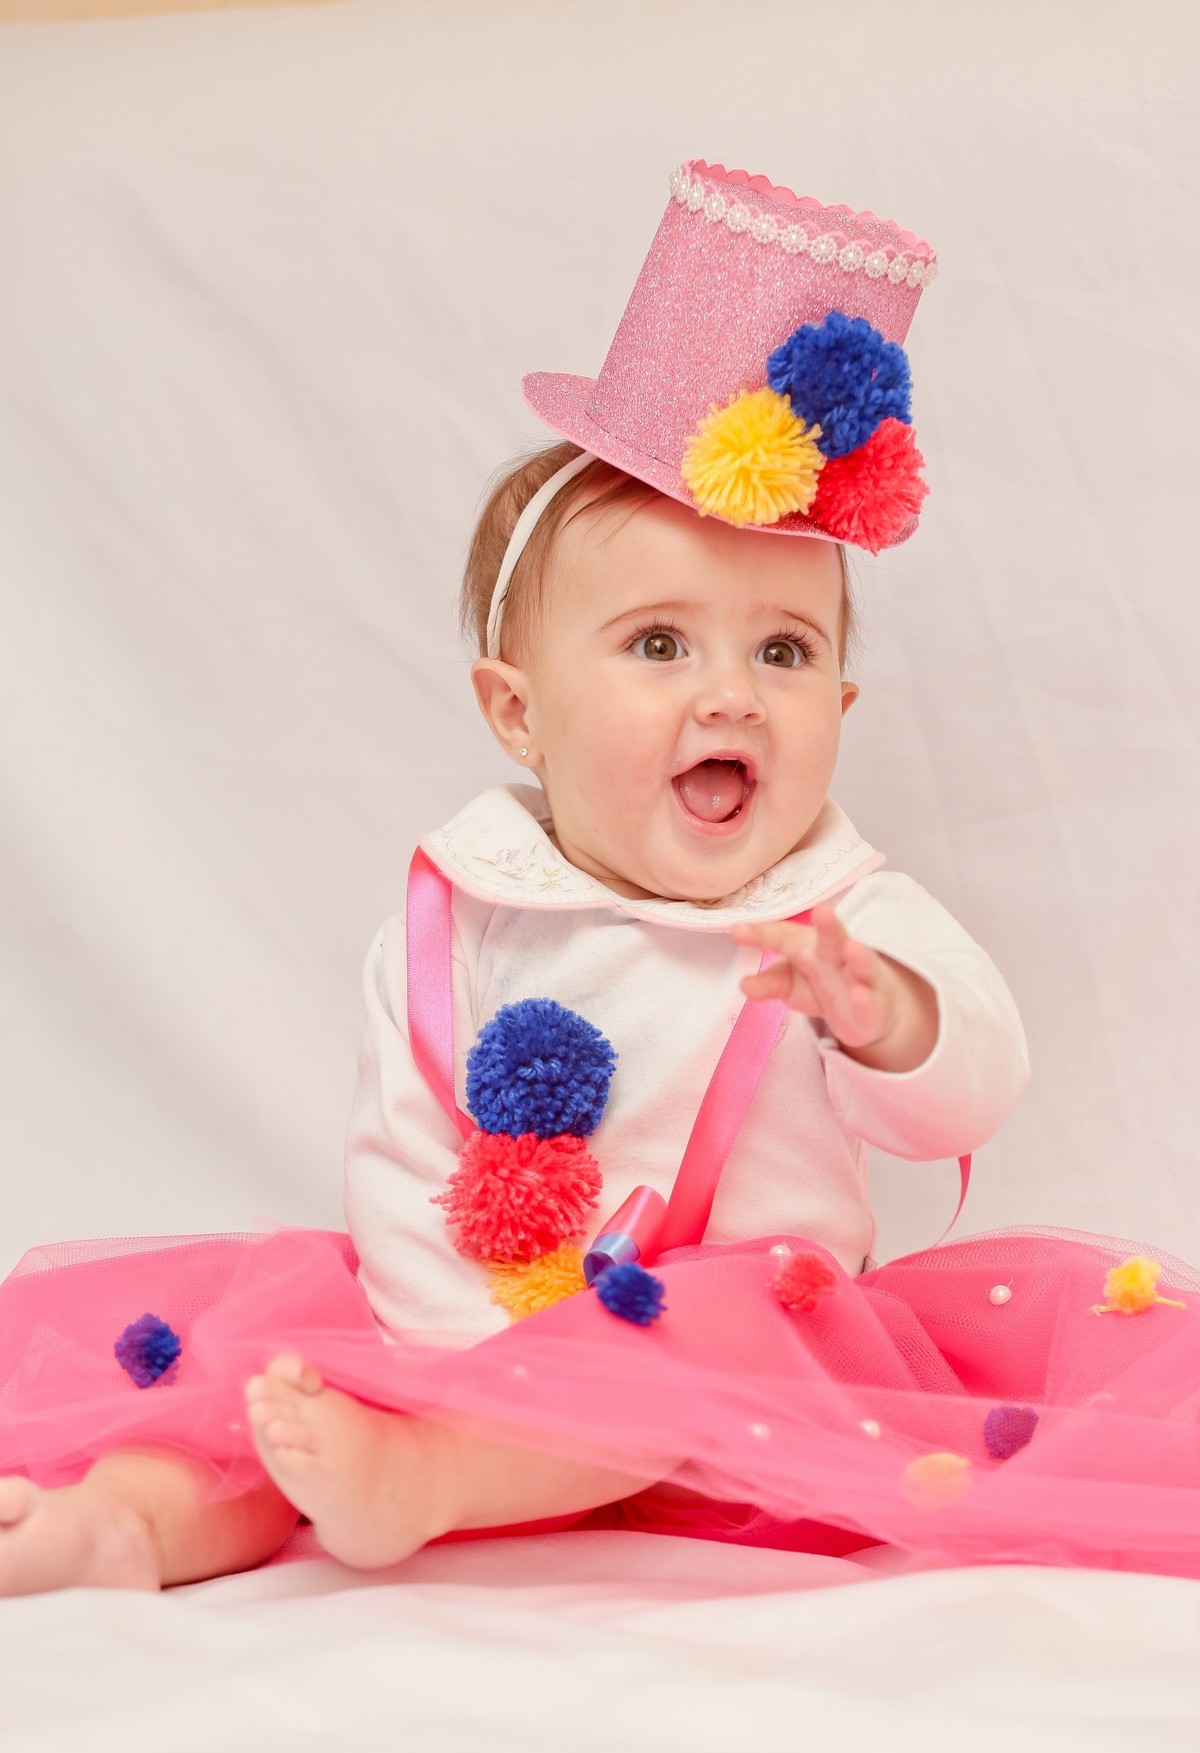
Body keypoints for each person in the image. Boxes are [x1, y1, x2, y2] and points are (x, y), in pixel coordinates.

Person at [0, 160, 1193, 1597]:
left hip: (744, 1390)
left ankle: (431, 1483)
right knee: (265, 1378)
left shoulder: (835, 918)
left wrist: (888, 1018)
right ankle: (123, 1526)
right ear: (519, 712)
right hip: (469, 1327)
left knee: (715, 1321)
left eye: (784, 651)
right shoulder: (464, 910)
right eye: (658, 645)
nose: (730, 694)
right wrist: (465, 1362)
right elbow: (404, 1161)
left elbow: (973, 1089)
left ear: (839, 708)